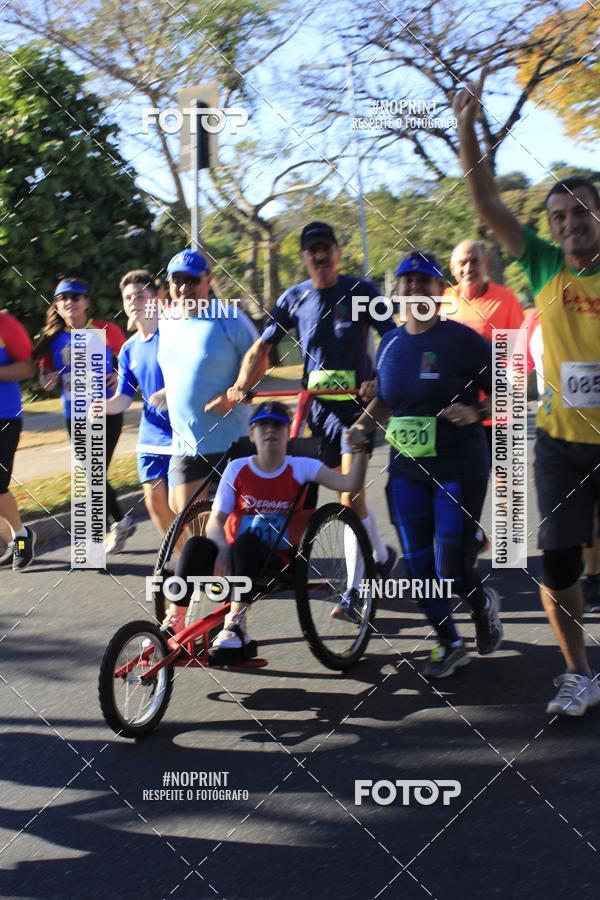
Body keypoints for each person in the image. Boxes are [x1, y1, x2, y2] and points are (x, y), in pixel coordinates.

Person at [455, 69, 600, 715]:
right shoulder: (541, 262)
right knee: (559, 566)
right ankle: (578, 674)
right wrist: (466, 129)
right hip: (560, 445)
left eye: (581, 213)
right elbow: (487, 205)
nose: (570, 223)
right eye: (559, 216)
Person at [228, 221, 397, 622]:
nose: (319, 255)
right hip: (313, 412)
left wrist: (380, 379)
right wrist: (240, 384)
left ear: (338, 252)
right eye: (311, 250)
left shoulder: (361, 292)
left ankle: (357, 592)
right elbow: (261, 347)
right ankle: (380, 554)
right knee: (298, 497)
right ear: (303, 257)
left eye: (326, 248)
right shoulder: (295, 298)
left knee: (348, 500)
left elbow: (392, 339)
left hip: (355, 412)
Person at [347, 250, 503, 678]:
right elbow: (387, 401)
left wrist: (475, 414)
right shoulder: (392, 343)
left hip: (459, 465)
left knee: (450, 566)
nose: (414, 287)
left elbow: (512, 382)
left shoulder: (462, 340)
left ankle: (482, 603)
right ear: (397, 291)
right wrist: (363, 424)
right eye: (406, 281)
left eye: (424, 281)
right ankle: (450, 642)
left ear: (440, 291)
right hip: (407, 471)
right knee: (418, 567)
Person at [162, 401, 368, 664]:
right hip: (230, 555)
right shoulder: (237, 468)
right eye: (262, 425)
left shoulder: (302, 466)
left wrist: (360, 449)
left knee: (247, 541)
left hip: (276, 559)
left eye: (277, 425)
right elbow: (216, 519)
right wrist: (222, 548)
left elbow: (348, 483)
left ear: (287, 433)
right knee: (195, 546)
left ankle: (235, 624)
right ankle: (174, 620)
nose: (270, 431)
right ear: (252, 434)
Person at [155, 250, 262, 514]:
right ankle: (211, 556)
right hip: (186, 442)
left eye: (192, 281)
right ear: (169, 284)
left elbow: (260, 358)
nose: (183, 288)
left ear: (208, 280)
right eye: (177, 280)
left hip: (232, 440)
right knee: (186, 515)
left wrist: (234, 394)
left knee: (242, 521)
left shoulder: (230, 318)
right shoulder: (166, 321)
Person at [35, 277, 135, 553]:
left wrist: (118, 374)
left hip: (106, 410)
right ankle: (115, 524)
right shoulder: (53, 338)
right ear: (57, 305)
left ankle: (113, 525)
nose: (70, 302)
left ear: (86, 302)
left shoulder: (106, 330)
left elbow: (130, 359)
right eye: (63, 298)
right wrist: (48, 379)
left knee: (93, 471)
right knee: (91, 472)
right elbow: (43, 376)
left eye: (75, 297)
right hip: (74, 414)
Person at [522, 308, 600, 614]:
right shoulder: (532, 322)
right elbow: (517, 369)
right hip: (557, 435)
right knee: (566, 529)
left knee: (594, 516)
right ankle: (583, 574)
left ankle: (593, 577)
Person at [90, 271, 174, 542]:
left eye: (140, 295)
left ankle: (195, 556)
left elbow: (198, 377)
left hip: (183, 434)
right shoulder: (128, 349)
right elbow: (124, 397)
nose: (134, 301)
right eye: (128, 297)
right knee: (155, 504)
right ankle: (180, 554)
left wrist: (170, 391)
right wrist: (103, 406)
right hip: (150, 436)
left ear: (155, 298)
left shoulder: (174, 335)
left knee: (180, 505)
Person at [444, 238, 524, 458]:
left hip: (499, 413)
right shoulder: (444, 301)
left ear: (485, 264)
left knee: (506, 486)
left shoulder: (506, 299)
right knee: (460, 486)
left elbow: (519, 355)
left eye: (474, 261)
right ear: (453, 269)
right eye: (462, 263)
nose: (468, 268)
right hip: (458, 412)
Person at [0, 311, 36, 570]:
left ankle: (21, 536)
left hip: (5, 415)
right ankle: (11, 538)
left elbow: (27, 367)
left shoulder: (4, 323)